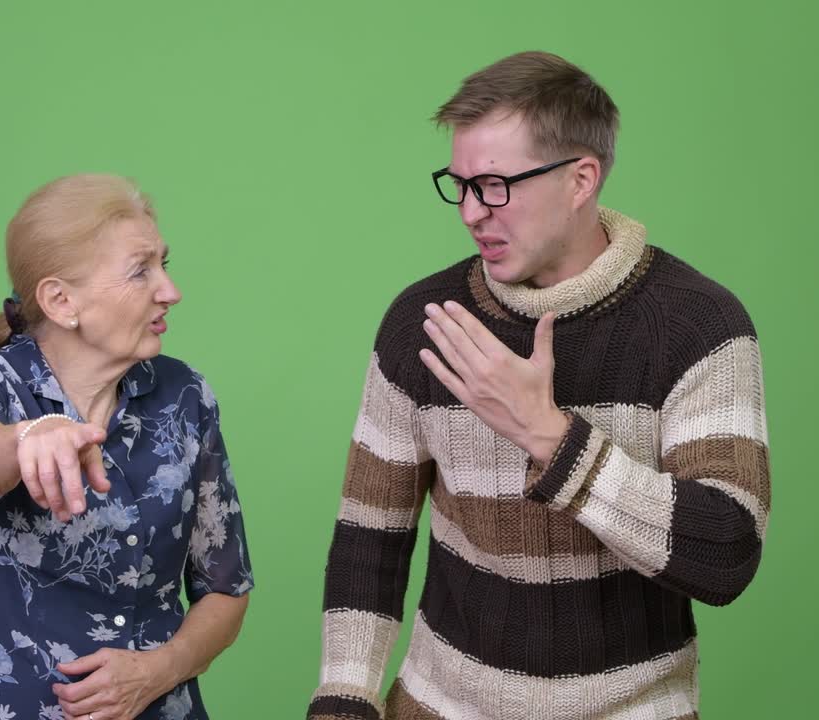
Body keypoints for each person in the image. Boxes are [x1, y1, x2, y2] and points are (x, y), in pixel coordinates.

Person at [308, 51, 770, 719]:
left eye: (495, 184)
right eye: (459, 183)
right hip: (441, 706)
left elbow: (725, 553)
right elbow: (368, 536)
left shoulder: (700, 327)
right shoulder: (425, 323)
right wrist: (345, 696)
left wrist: (549, 437)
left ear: (581, 178)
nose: (471, 212)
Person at [0, 174, 253, 720]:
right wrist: (30, 436)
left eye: (163, 265)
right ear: (61, 300)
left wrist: (160, 669)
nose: (170, 291)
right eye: (140, 271)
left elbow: (226, 588)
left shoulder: (185, 396)